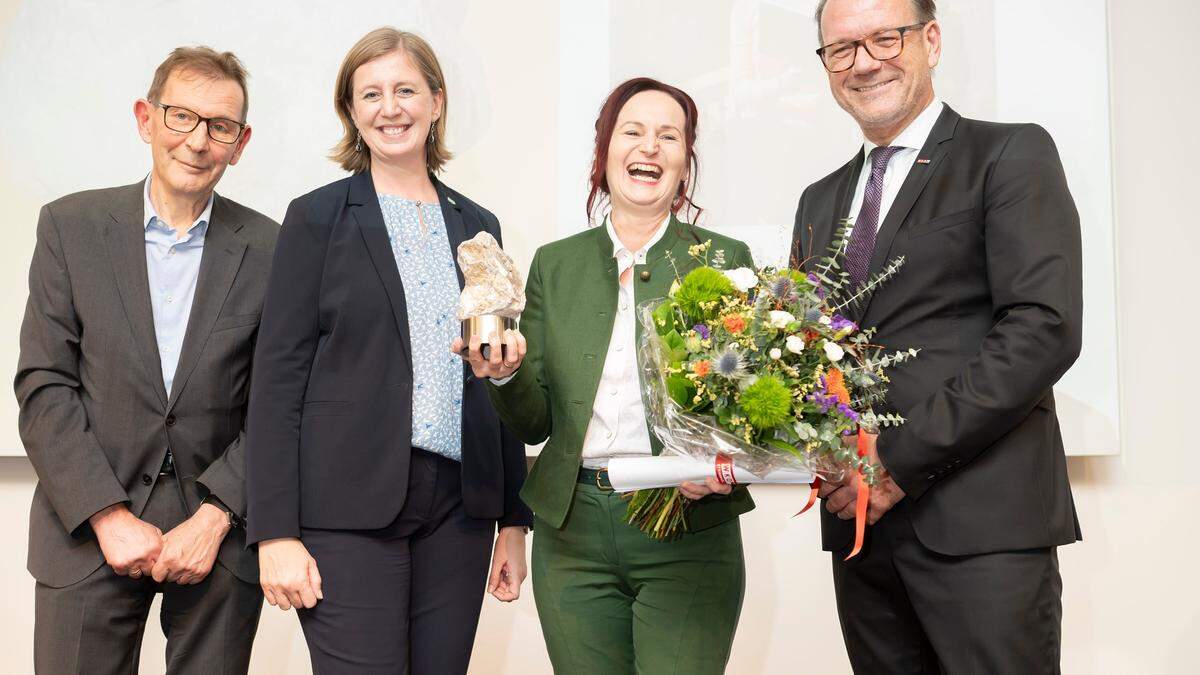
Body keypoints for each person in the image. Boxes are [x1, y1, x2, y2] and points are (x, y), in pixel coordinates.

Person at [792, 1, 1082, 672]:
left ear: (930, 39)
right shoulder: (819, 199)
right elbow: (811, 354)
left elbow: (1044, 327)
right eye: (842, 49)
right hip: (862, 534)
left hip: (982, 529)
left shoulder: (1009, 152)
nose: (863, 62)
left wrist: (897, 458)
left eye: (884, 38)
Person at [245, 27, 532, 674]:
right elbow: (277, 380)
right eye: (370, 93)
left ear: (436, 101)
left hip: (461, 509)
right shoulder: (316, 217)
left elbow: (495, 372)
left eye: (405, 89)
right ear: (350, 110)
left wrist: (514, 515)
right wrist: (276, 531)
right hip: (344, 509)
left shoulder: (478, 224)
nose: (389, 107)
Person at [462, 77, 753, 674]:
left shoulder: (725, 259)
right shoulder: (555, 263)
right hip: (572, 536)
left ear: (684, 163)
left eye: (668, 137)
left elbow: (751, 405)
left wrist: (720, 463)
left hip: (687, 527)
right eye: (633, 132)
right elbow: (535, 420)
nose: (649, 148)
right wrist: (501, 375)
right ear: (605, 151)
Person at [15, 46, 276, 673]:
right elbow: (44, 384)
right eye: (181, 115)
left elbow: (277, 403)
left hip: (218, 533)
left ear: (240, 144)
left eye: (220, 126)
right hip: (85, 531)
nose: (197, 140)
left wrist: (215, 518)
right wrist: (107, 516)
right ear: (145, 119)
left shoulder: (274, 249)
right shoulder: (69, 227)